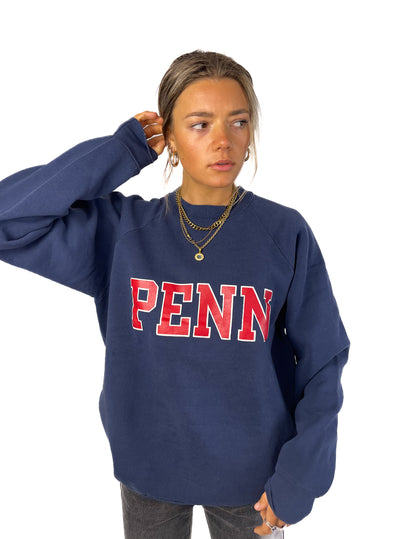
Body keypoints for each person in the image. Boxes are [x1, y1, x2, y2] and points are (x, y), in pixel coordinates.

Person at [0, 50, 349, 538]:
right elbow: (9, 220)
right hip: (148, 467)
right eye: (200, 125)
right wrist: (120, 152)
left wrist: (301, 476)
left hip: (256, 480)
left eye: (238, 122)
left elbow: (322, 360)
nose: (223, 141)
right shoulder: (123, 232)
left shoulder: (283, 232)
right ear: (170, 139)